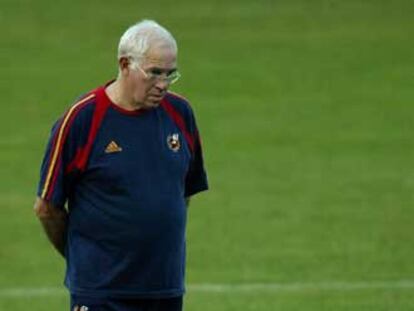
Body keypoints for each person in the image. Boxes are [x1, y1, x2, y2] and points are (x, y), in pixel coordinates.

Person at [34, 20, 208, 311]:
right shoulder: (82, 119)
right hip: (101, 294)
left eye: (170, 74)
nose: (163, 84)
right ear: (125, 64)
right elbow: (46, 207)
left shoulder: (180, 113)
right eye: (154, 73)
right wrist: (83, 259)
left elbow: (182, 191)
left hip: (164, 290)